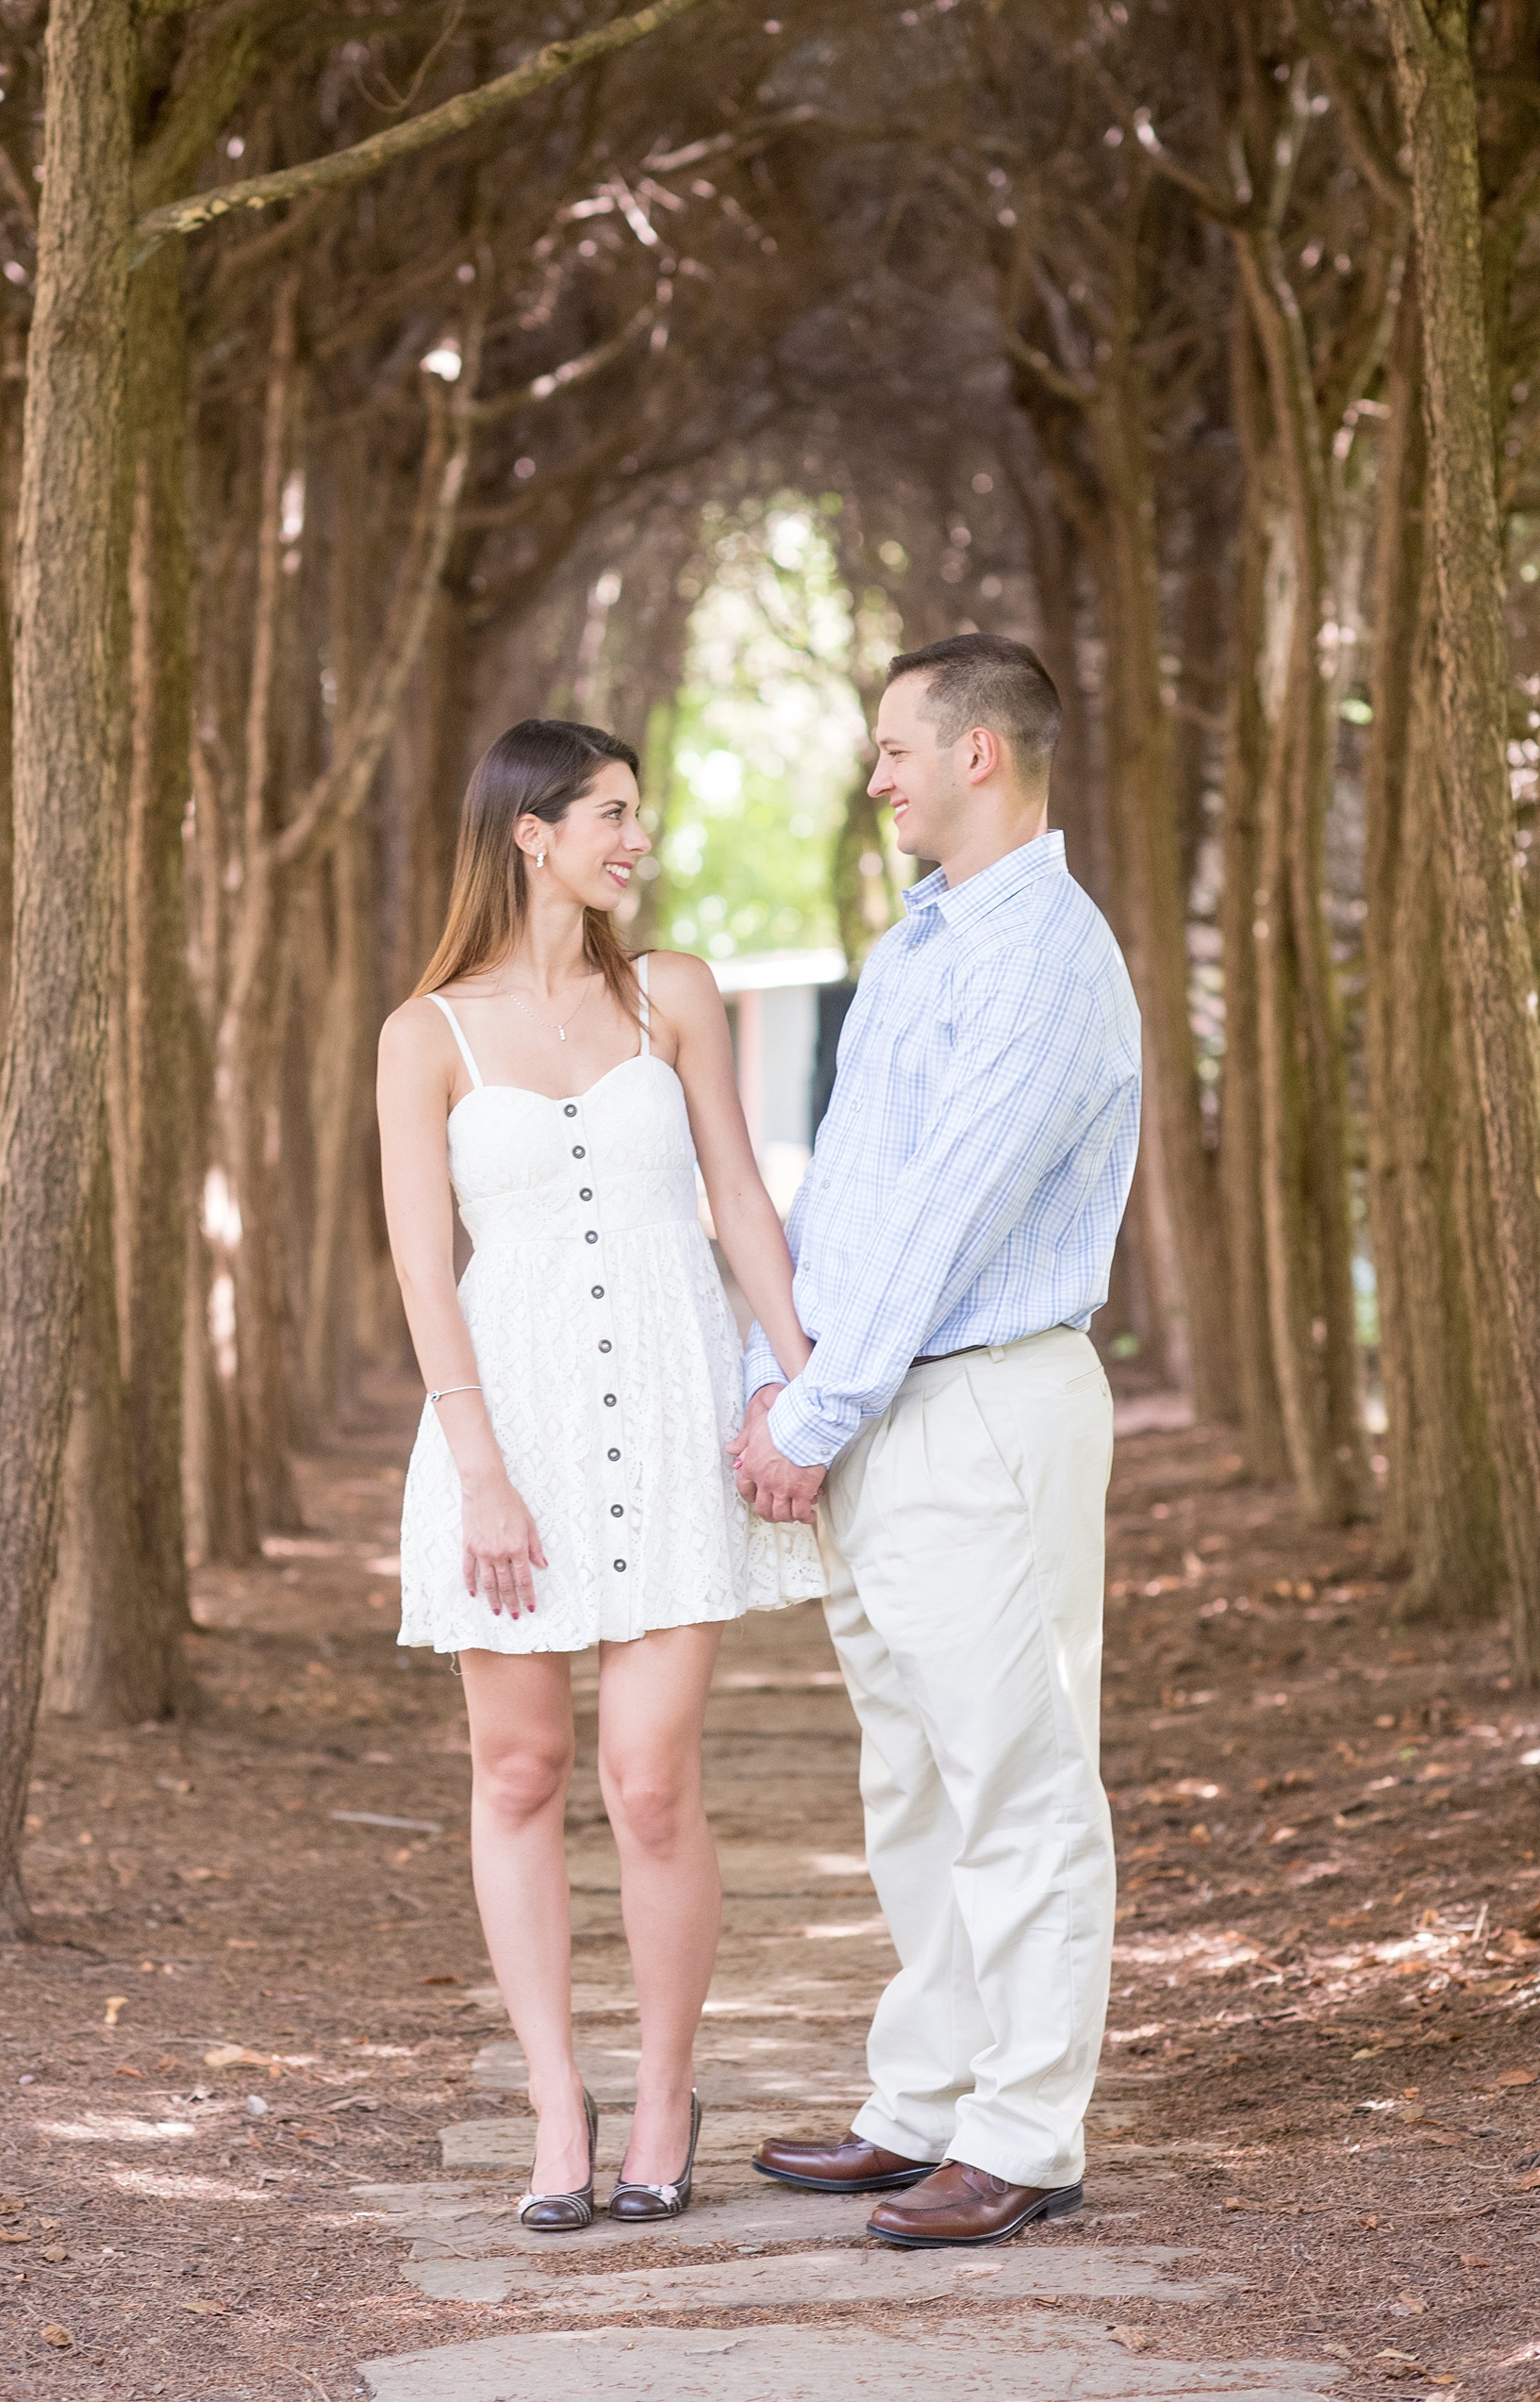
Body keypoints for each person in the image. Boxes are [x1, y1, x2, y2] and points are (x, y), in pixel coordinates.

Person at [378, 718, 821, 2233]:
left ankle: (662, 2097)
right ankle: (554, 2101)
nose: (635, 840)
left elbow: (744, 1206)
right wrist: (482, 1472)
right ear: (531, 832)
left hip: (672, 1413)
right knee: (519, 1772)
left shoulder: (672, 998)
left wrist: (806, 1391)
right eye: (612, 814)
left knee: (648, 1782)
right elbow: (425, 1273)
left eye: (638, 813)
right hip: (511, 1435)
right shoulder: (422, 1034)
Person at [733, 633, 1141, 2249]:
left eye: (899, 746)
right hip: (882, 1404)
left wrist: (813, 1413)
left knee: (1020, 1779)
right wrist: (789, 1383)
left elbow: (956, 1224)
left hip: (980, 1401)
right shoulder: (916, 946)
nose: (879, 772)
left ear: (982, 754)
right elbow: (855, 1197)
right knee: (913, 1775)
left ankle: (1028, 2134)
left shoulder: (1045, 955)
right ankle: (926, 2103)